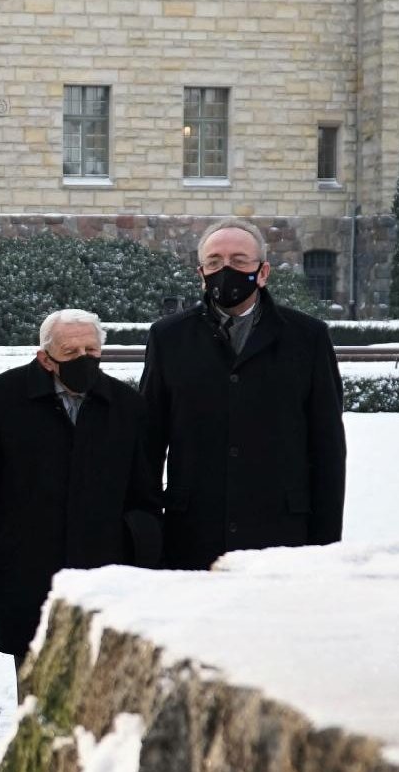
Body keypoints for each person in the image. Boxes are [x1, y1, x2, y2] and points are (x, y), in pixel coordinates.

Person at [0, 309, 162, 702]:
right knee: (36, 701)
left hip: (103, 578)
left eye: (91, 349)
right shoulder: (2, 398)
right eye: (71, 351)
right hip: (26, 574)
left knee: (97, 706)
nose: (84, 358)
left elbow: (145, 496)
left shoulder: (126, 406)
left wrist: (138, 558)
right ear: (45, 357)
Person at [138, 218, 346, 571]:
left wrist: (325, 546)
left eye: (239, 261)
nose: (226, 270)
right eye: (215, 262)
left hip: (280, 533)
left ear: (262, 272)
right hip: (191, 532)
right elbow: (148, 442)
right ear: (201, 271)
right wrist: (147, 531)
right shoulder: (168, 338)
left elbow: (326, 446)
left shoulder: (307, 338)